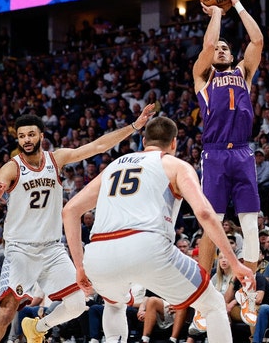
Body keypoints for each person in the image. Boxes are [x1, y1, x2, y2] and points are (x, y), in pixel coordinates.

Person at [62, 117, 253, 343]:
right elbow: (203, 213)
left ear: (144, 141)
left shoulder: (114, 166)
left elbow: (70, 211)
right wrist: (233, 261)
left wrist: (80, 266)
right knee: (213, 305)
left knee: (114, 305)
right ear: (174, 143)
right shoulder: (176, 165)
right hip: (148, 246)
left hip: (99, 253)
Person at [0, 104, 155, 343]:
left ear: (41, 135)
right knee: (7, 310)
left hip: (52, 249)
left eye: (31, 134)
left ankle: (37, 328)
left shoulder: (56, 159)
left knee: (76, 304)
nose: (27, 139)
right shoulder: (12, 167)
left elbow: (97, 146)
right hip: (21, 250)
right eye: (22, 136)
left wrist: (134, 126)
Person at [193, 0, 264, 281]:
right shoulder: (203, 75)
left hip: (244, 151)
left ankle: (247, 289)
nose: (220, 50)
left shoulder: (243, 72)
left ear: (233, 56)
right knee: (213, 222)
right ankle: (204, 287)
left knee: (250, 224)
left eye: (226, 48)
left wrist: (236, 4)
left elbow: (257, 41)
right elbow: (208, 46)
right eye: (218, 48)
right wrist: (217, 13)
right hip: (215, 153)